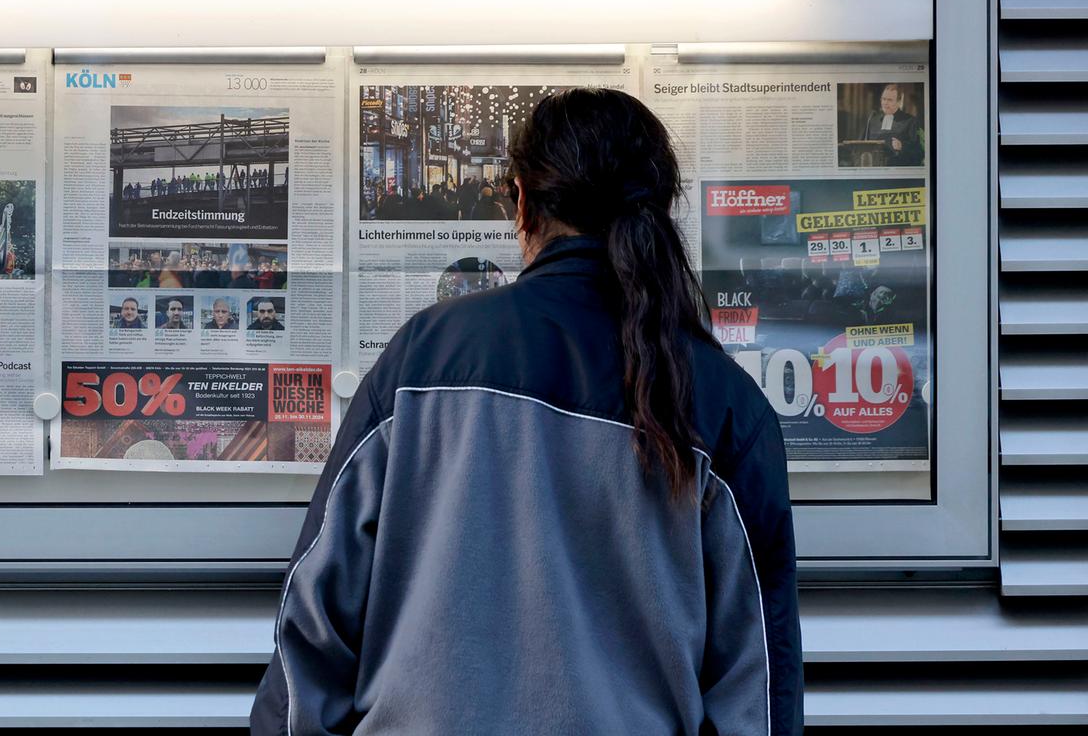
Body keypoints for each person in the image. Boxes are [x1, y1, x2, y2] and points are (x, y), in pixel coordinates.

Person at [252, 88, 799, 735]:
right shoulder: (725, 403)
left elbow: (309, 639)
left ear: (521, 203)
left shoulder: (420, 362)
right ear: (656, 211)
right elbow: (756, 695)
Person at [861, 83, 924, 167]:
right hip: (874, 168)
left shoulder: (910, 121)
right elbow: (861, 144)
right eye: (883, 99)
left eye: (890, 100)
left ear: (899, 102)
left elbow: (919, 152)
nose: (885, 103)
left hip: (897, 169)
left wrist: (902, 146)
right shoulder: (872, 120)